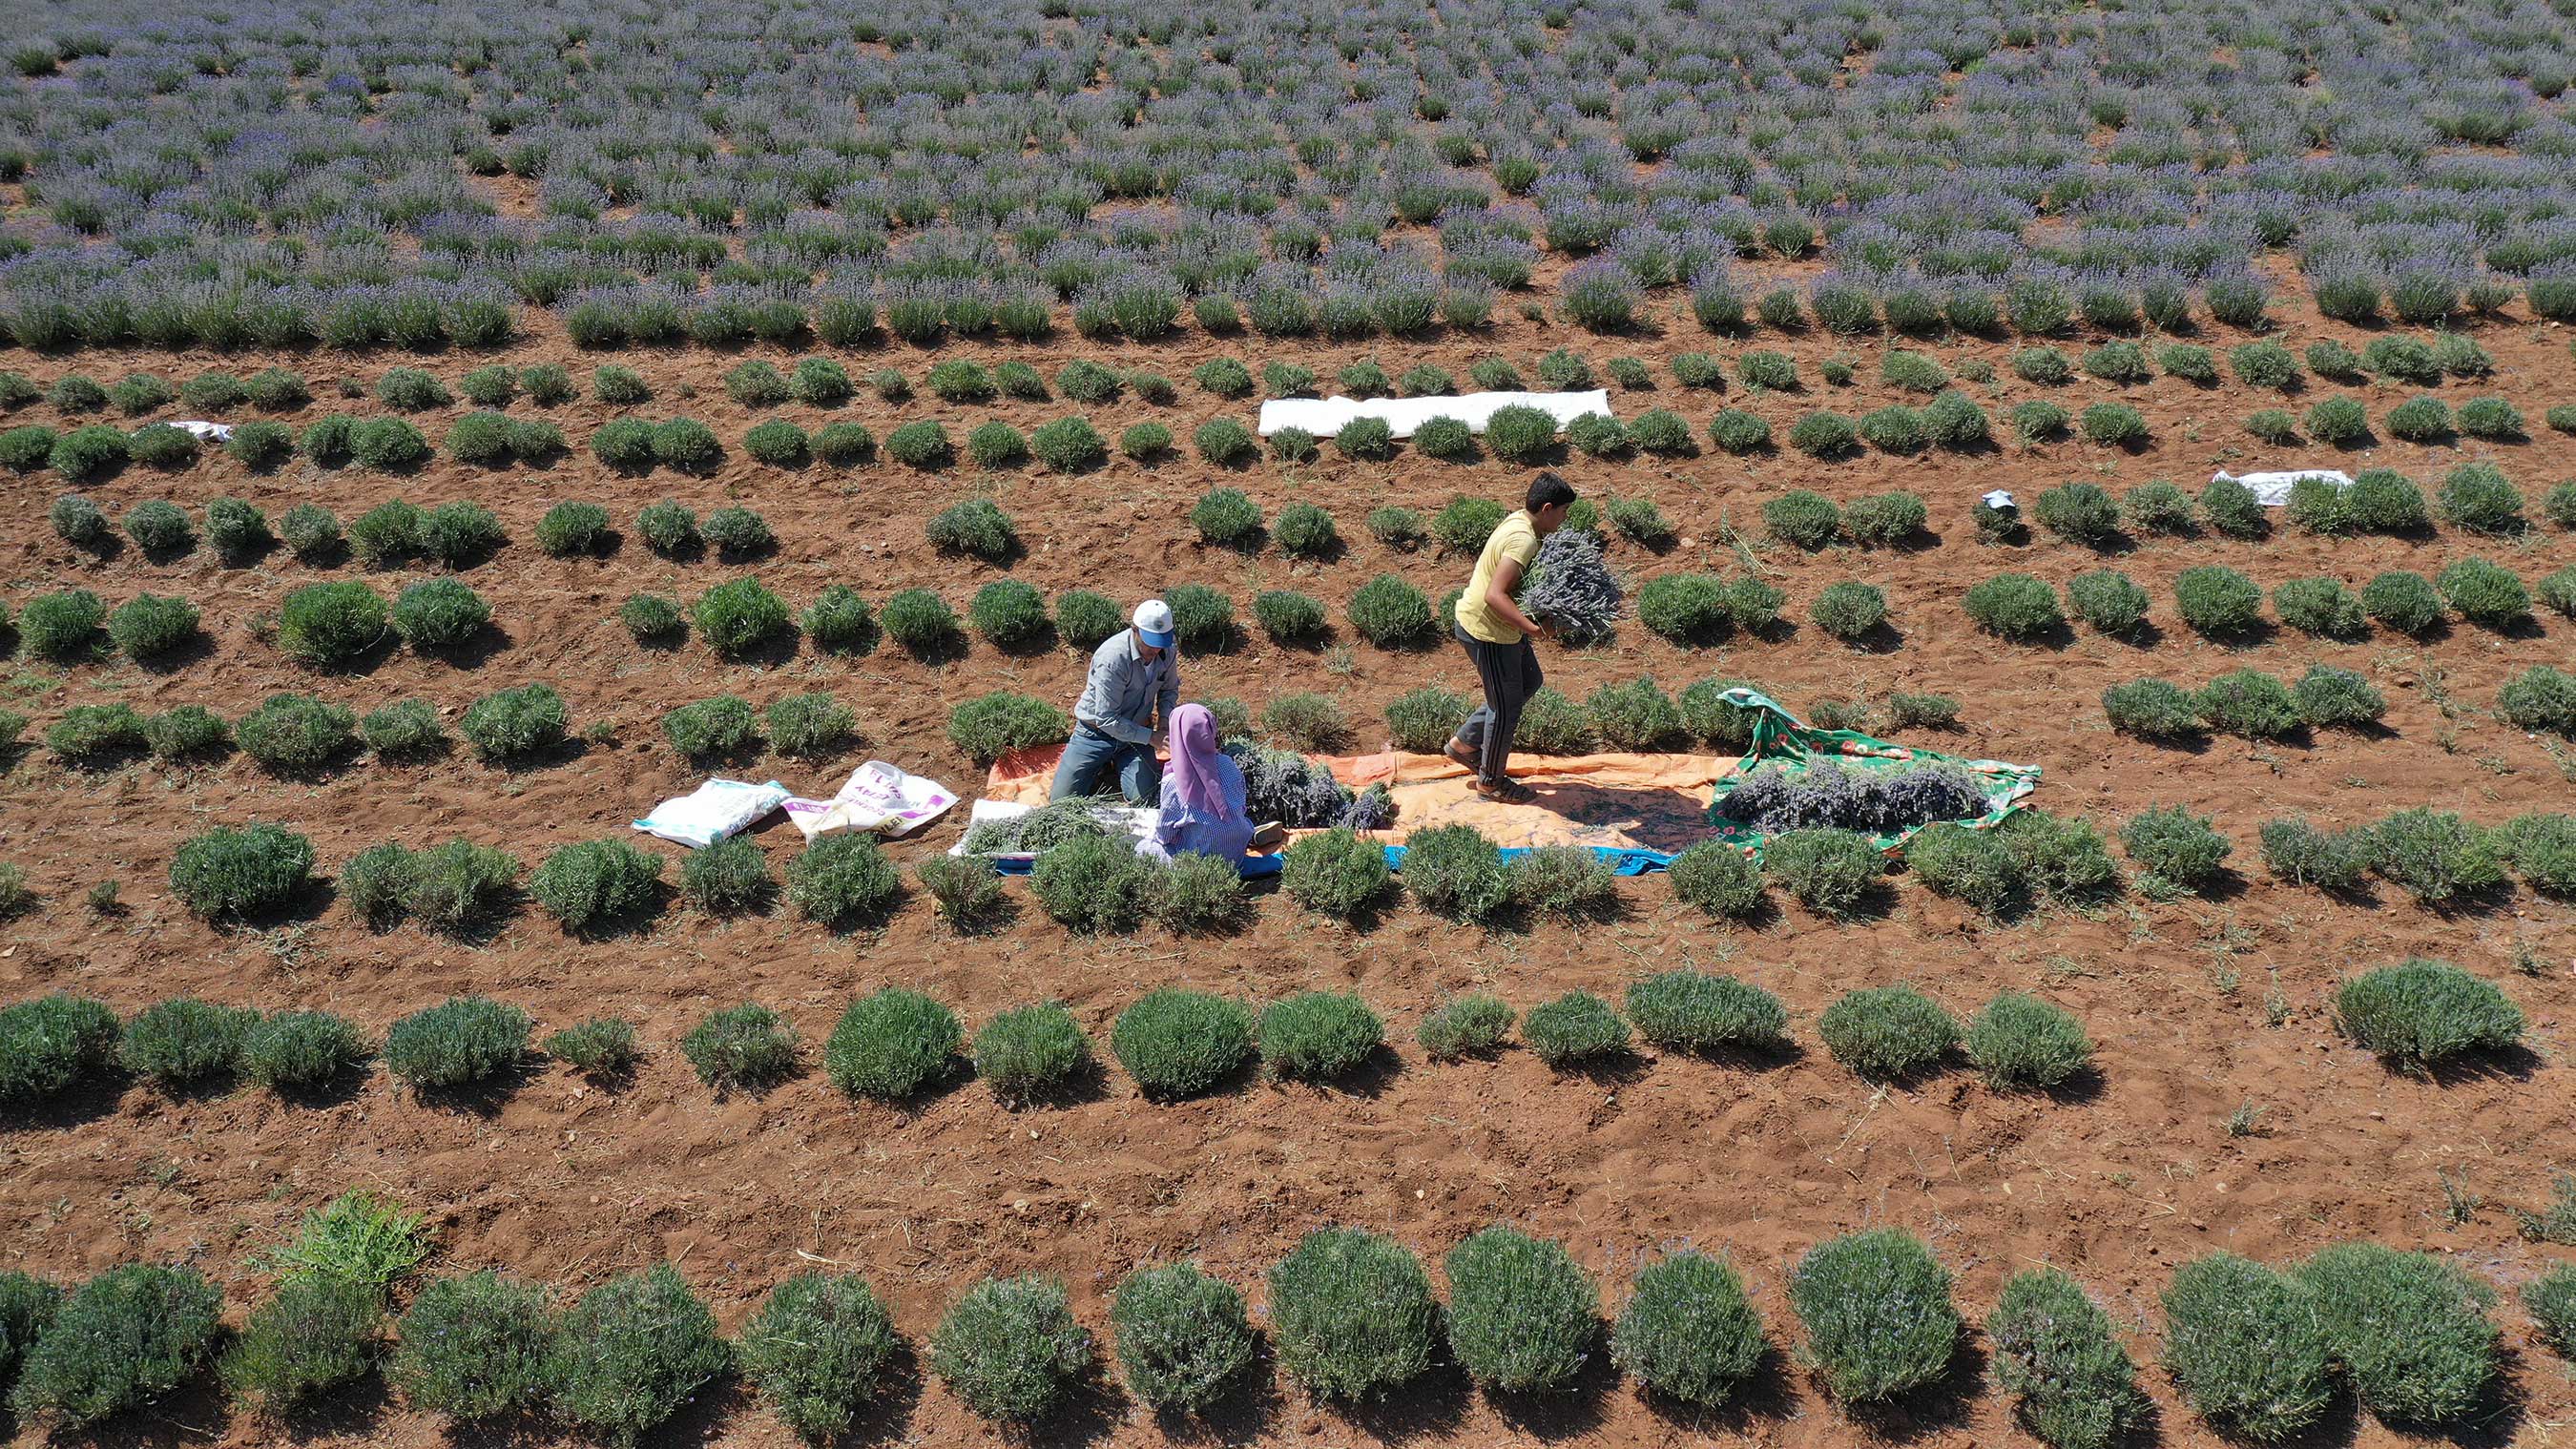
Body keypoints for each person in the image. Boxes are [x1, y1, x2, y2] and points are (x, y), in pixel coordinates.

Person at [1445, 471, 1577, 802]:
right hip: (1487, 632)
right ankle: (1490, 782)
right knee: (1504, 709)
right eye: (1563, 511)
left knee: (1528, 682)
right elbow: (1495, 594)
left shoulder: (1522, 521)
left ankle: (1463, 745)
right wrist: (1533, 628)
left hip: (1502, 630)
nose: (1565, 518)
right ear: (1547, 508)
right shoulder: (1525, 539)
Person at [1050, 598, 1181, 803]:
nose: (1155, 650)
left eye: (1161, 643)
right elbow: (1106, 719)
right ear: (1134, 630)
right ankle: (1099, 764)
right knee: (1061, 802)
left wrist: (1164, 721)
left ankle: (1109, 766)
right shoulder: (1113, 658)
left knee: (1145, 800)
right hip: (1095, 735)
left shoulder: (1168, 651)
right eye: (1150, 642)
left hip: (1135, 737)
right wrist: (1152, 738)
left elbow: (1169, 689)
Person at [1136, 702, 1287, 865]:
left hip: (1199, 862)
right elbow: (1241, 805)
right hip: (1237, 854)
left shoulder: (1174, 782)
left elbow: (1164, 835)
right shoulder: (1228, 764)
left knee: (1138, 846)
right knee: (1229, 824)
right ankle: (1248, 835)